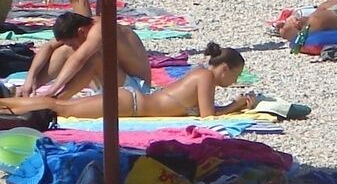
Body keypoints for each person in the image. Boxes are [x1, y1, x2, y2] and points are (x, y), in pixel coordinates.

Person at [1, 41, 252, 119]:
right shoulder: (206, 77)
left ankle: (7, 106)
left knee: (58, 107)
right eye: (235, 75)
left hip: (130, 100)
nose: (234, 81)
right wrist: (236, 105)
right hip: (130, 104)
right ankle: (5, 107)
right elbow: (208, 117)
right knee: (58, 108)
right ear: (225, 68)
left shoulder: (200, 73)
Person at [18, 10, 151, 100]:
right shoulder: (84, 27)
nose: (74, 47)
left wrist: (53, 90)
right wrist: (30, 79)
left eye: (73, 43)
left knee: (94, 58)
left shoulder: (101, 29)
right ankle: (27, 91)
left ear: (81, 31)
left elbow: (78, 59)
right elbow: (48, 46)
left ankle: (56, 100)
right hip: (111, 82)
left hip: (136, 88)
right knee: (64, 50)